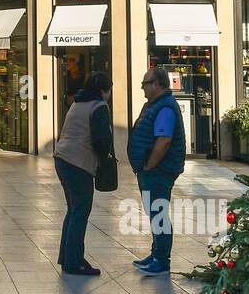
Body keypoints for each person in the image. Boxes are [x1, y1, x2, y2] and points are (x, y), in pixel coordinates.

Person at [52, 71, 115, 276]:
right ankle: (74, 262)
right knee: (80, 211)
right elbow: (101, 139)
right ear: (104, 90)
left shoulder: (77, 103)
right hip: (78, 163)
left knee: (73, 210)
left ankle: (67, 257)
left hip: (62, 158)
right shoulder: (99, 106)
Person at [128, 66, 186, 277]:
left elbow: (164, 140)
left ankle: (161, 261)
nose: (142, 87)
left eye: (146, 83)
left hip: (159, 170)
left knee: (158, 212)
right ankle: (156, 254)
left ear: (157, 85)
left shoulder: (165, 108)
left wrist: (150, 165)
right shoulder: (155, 105)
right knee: (154, 212)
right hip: (153, 169)